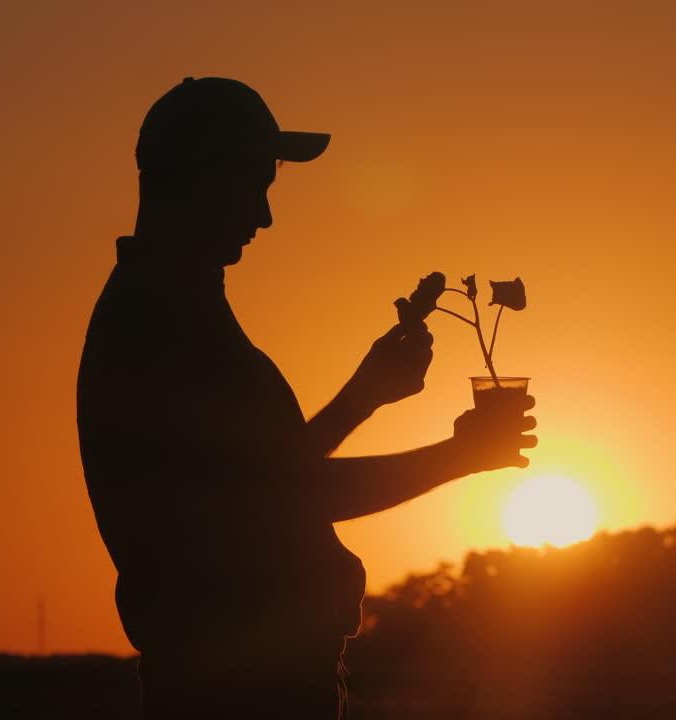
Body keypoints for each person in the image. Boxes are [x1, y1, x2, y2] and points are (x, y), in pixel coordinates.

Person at [76, 77, 537, 718]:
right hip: (238, 696)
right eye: (252, 186)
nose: (263, 217)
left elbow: (261, 479)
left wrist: (361, 398)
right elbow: (283, 497)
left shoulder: (175, 308)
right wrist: (462, 455)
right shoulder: (163, 322)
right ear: (197, 179)